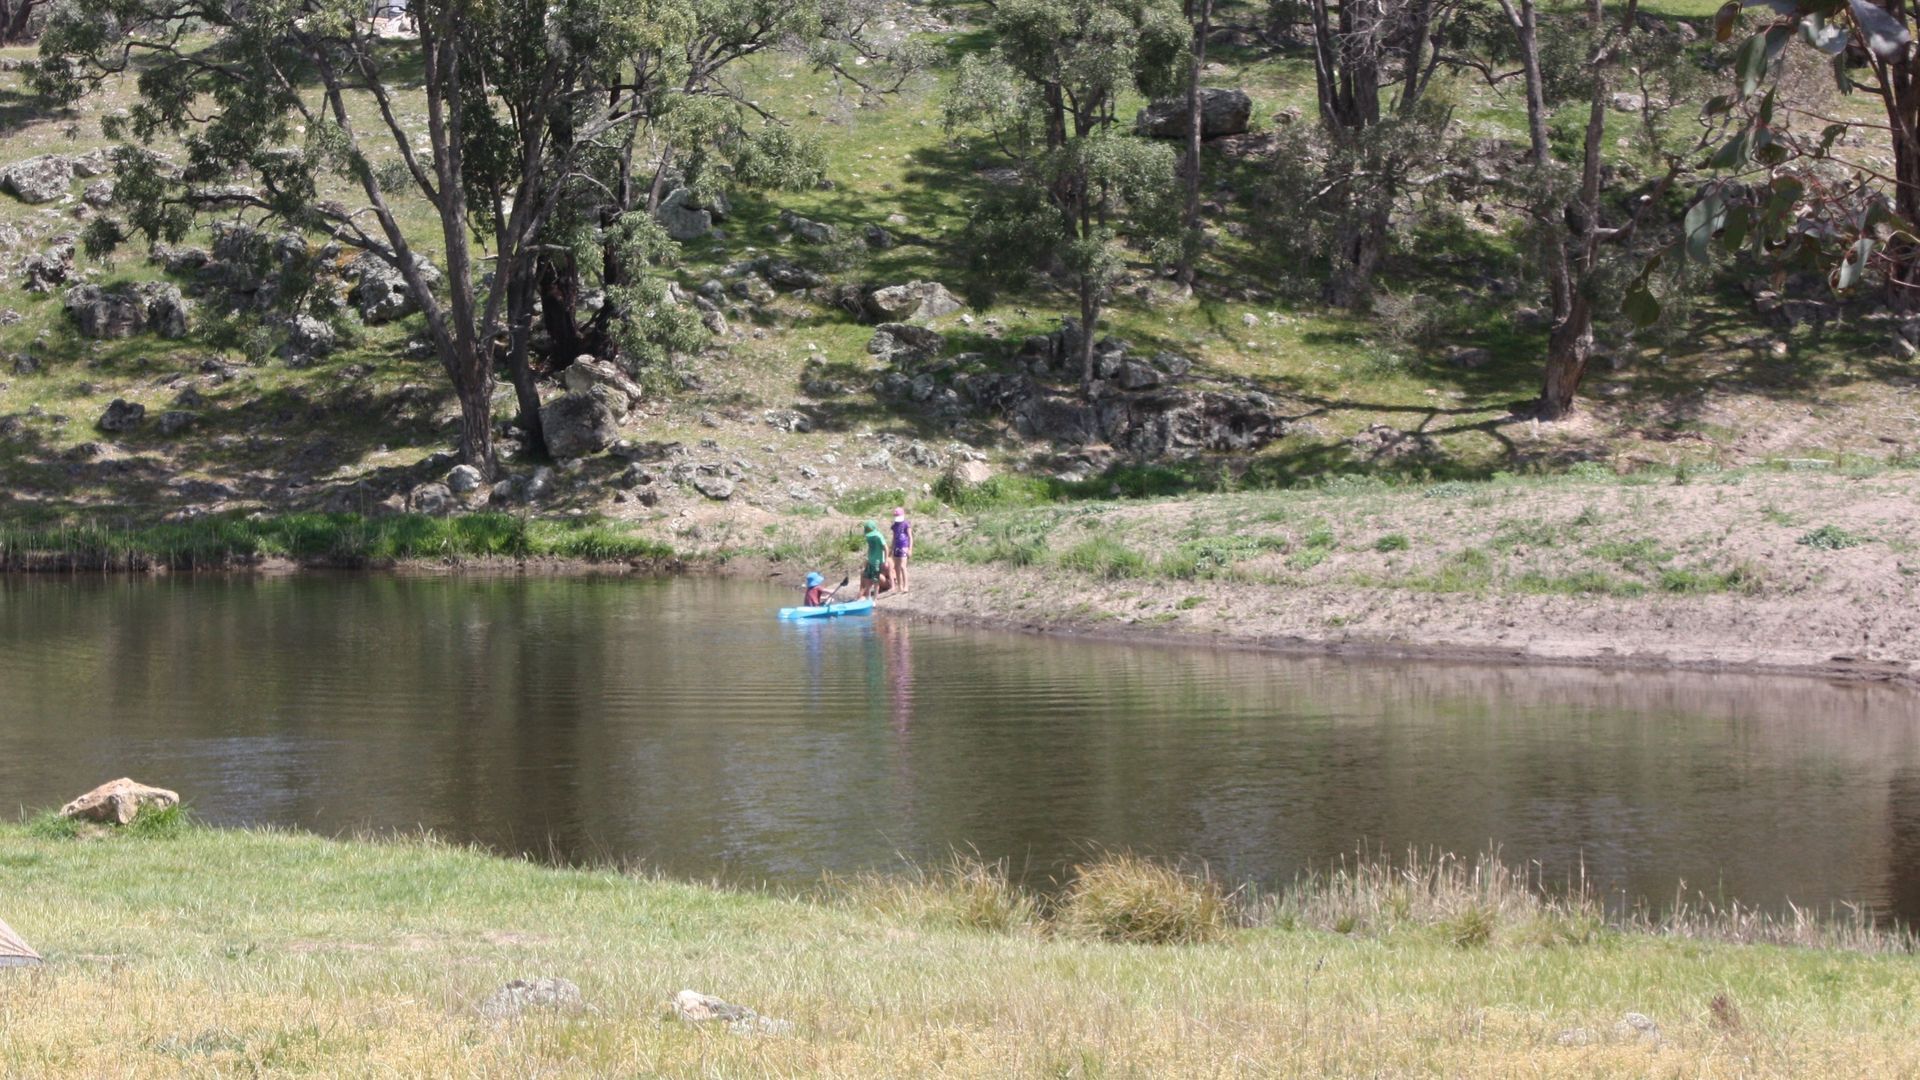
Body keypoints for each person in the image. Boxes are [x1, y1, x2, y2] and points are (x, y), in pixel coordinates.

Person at [860, 520, 891, 598]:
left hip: (877, 561)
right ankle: (865, 595)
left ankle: (874, 599)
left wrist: (886, 560)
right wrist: (867, 557)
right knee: (865, 576)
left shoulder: (878, 536)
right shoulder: (869, 537)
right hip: (871, 560)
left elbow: (886, 548)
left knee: (875, 579)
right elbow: (870, 547)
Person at [890, 506, 913, 595]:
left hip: (904, 546)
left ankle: (906, 585)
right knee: (896, 567)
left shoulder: (906, 524)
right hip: (896, 547)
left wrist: (910, 549)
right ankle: (899, 586)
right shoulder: (894, 526)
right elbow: (894, 537)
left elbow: (910, 537)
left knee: (903, 566)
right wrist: (891, 548)